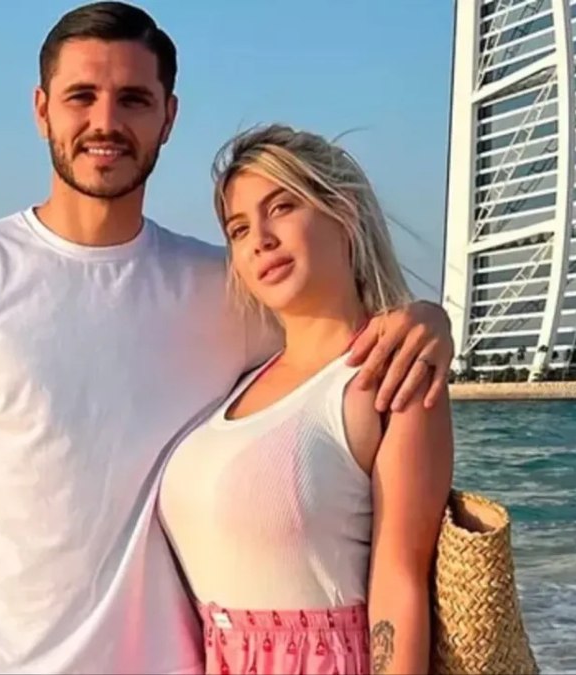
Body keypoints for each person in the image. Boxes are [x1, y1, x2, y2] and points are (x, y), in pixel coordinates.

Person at [0, 3, 453, 673]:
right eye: (81, 96)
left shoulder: (224, 288)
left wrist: (428, 322)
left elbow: (329, 342)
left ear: (168, 116)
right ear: (42, 110)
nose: (105, 121)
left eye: (134, 99)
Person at [157, 125, 454, 675]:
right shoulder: (239, 377)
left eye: (282, 207)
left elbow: (400, 582)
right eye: (239, 229)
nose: (260, 240)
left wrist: (428, 319)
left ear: (343, 212)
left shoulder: (389, 378)